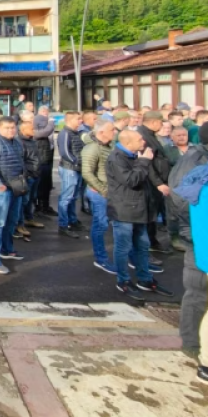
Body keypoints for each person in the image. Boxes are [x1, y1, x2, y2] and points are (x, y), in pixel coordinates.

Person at [106, 130, 174, 301]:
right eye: (139, 139)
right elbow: (132, 180)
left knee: (142, 245)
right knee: (123, 247)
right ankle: (123, 280)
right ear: (128, 143)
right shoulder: (117, 158)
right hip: (124, 210)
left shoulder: (134, 154)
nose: (143, 141)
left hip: (139, 209)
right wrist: (144, 161)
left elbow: (146, 175)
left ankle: (144, 278)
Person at [169, 123, 208, 353]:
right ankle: (193, 345)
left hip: (196, 234)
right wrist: (193, 230)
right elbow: (181, 199)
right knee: (197, 293)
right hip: (198, 238)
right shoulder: (196, 162)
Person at [0, 117, 29, 274]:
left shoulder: (16, 142)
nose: (11, 130)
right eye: (7, 128)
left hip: (15, 187)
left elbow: (20, 162)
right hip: (1, 189)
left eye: (13, 127)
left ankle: (7, 250)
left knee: (11, 221)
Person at [81, 120, 117, 274]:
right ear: (101, 132)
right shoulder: (92, 148)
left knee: (116, 226)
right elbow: (87, 173)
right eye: (112, 130)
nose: (115, 132)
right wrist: (102, 189)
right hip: (100, 193)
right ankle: (101, 259)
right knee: (100, 225)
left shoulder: (108, 146)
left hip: (111, 191)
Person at [137, 111, 173, 254]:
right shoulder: (144, 137)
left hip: (156, 181)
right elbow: (148, 163)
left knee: (153, 212)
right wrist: (158, 183)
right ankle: (148, 244)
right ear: (153, 122)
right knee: (150, 214)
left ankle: (151, 241)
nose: (162, 125)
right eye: (160, 122)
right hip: (151, 183)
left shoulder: (149, 135)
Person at [56, 111, 85, 238]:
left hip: (76, 169)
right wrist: (76, 162)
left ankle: (72, 220)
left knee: (73, 197)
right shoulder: (65, 133)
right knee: (66, 197)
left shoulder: (76, 133)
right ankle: (63, 224)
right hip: (70, 169)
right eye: (78, 119)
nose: (81, 121)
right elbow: (65, 153)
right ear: (70, 120)